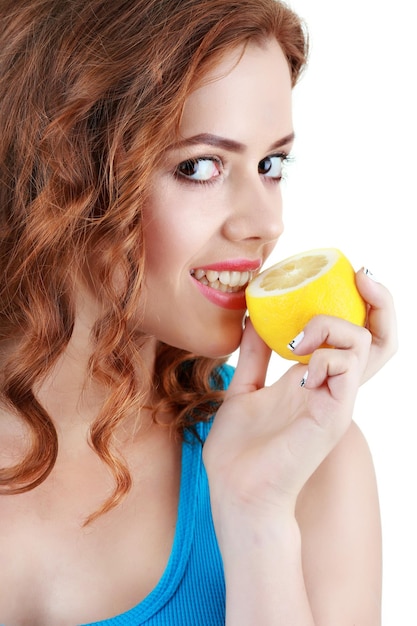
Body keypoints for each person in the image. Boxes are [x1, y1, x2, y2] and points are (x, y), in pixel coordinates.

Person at [0, 0, 397, 624]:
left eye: (271, 166)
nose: (267, 223)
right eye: (199, 167)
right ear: (57, 174)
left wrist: (256, 516)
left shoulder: (311, 467)